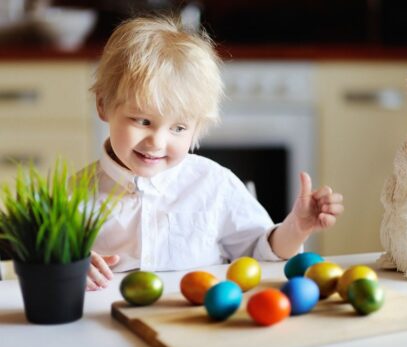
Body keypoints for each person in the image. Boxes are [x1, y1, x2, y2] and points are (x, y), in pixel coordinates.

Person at [84, 16, 344, 291]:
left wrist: (296, 228)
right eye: (143, 121)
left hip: (198, 323)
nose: (158, 142)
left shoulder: (214, 185)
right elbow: (39, 267)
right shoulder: (71, 199)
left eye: (179, 127)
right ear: (103, 105)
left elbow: (260, 253)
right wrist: (65, 266)